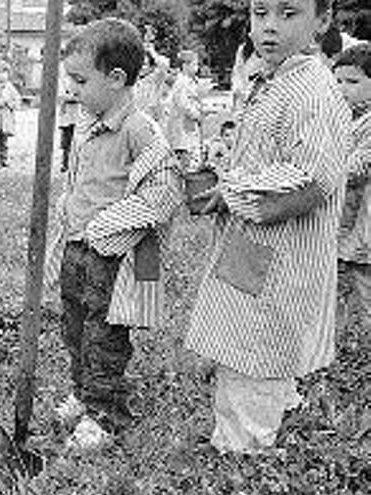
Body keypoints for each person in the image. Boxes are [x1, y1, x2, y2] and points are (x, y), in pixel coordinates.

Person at [186, 0, 352, 455]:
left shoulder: (313, 92)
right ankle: (259, 424)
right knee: (243, 339)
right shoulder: (274, 80)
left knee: (257, 347)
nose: (270, 28)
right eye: (261, 13)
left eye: (289, 13)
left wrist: (233, 192)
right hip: (252, 246)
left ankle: (244, 454)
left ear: (322, 20)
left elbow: (314, 178)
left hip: (281, 253)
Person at [55, 18, 181, 447]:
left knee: (103, 335)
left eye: (79, 80)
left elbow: (164, 191)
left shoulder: (138, 129)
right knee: (73, 328)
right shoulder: (88, 121)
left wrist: (105, 224)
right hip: (77, 247)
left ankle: (105, 413)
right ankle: (82, 391)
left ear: (116, 79)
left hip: (110, 256)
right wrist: (68, 208)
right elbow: (79, 179)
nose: (72, 89)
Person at [334, 43, 371, 329]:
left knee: (363, 287)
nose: (343, 88)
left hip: (364, 225)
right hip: (350, 222)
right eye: (338, 81)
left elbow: (355, 169)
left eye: (353, 81)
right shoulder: (350, 118)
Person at [168, 50, 204, 172]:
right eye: (194, 64)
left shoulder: (190, 81)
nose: (197, 67)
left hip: (190, 127)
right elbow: (183, 104)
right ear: (185, 66)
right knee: (186, 156)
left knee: (193, 152)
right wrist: (196, 114)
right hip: (183, 128)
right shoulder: (181, 82)